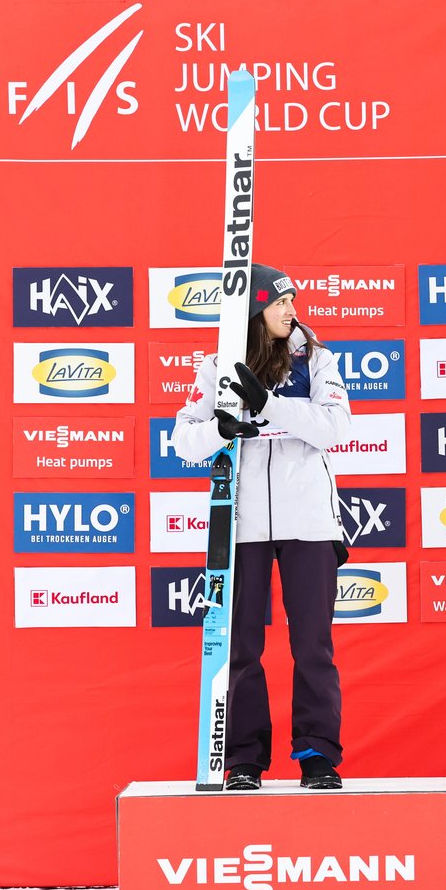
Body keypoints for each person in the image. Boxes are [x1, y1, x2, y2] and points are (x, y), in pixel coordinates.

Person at [172, 264, 353, 790]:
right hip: (242, 523)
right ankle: (244, 760)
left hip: (310, 521)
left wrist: (270, 405)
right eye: (279, 303)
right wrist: (220, 428)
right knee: (240, 646)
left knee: (313, 644)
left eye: (292, 299)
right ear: (253, 311)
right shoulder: (216, 367)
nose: (291, 310)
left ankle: (318, 755)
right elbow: (183, 441)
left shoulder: (316, 358)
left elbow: (337, 428)